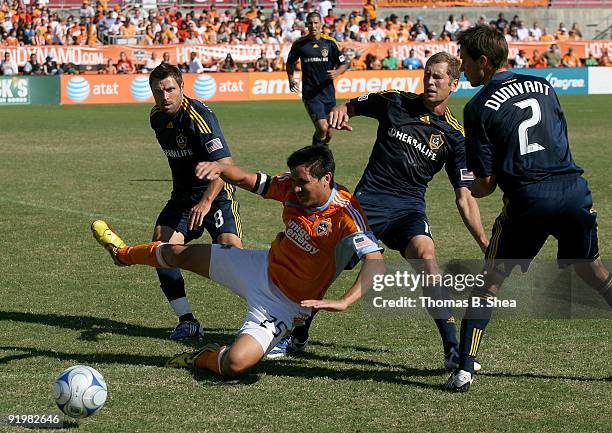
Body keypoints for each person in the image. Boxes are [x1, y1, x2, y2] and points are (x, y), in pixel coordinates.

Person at [271, 53, 489, 370]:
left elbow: (464, 196)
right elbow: (352, 105)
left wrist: (483, 240)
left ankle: (452, 349)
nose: (430, 81)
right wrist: (340, 113)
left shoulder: (454, 136)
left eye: (438, 77)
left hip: (408, 209)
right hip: (366, 205)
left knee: (427, 258)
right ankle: (297, 330)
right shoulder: (394, 102)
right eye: (428, 74)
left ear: (454, 84)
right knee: (326, 267)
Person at [91, 145, 384, 376]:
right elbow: (245, 179)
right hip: (259, 267)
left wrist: (345, 300)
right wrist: (221, 167)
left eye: (302, 183)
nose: (294, 188)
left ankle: (201, 357)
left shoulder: (345, 214)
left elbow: (375, 261)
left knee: (235, 364)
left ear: (326, 179)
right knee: (176, 253)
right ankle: (123, 255)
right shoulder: (290, 186)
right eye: (292, 180)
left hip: (284, 305)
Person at [450, 25, 612, 392]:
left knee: (489, 283)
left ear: (484, 61)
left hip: (529, 200)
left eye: (465, 61)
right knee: (595, 273)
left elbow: (486, 186)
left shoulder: (476, 107)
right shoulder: (545, 86)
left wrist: (462, 181)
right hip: (573, 191)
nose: (462, 69)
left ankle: (464, 369)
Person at [147, 63, 243, 340]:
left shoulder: (199, 117)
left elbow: (225, 165)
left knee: (234, 258)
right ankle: (187, 321)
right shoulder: (156, 117)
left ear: (181, 87)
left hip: (216, 195)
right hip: (182, 198)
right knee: (160, 249)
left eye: (170, 90)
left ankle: (274, 318)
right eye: (158, 91)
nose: (164, 97)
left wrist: (205, 201)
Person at [286, 12, 349, 147]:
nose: (313, 26)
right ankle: (315, 155)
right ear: (307, 25)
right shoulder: (300, 44)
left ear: (321, 24)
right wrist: (291, 79)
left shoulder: (330, 43)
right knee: (322, 127)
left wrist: (337, 72)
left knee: (328, 133)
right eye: (310, 23)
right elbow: (290, 63)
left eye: (316, 23)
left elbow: (344, 64)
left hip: (328, 94)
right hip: (311, 94)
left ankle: (320, 152)